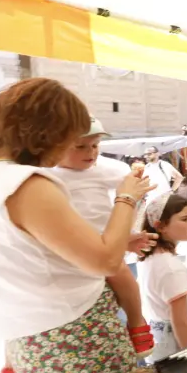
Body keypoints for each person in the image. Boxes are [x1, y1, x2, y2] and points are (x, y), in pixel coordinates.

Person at [0, 77, 153, 373]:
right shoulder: (26, 185)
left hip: (32, 337)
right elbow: (105, 262)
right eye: (69, 138)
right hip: (73, 333)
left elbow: (36, 251)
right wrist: (127, 196)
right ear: (46, 132)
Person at [51, 117, 154, 357]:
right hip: (74, 244)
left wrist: (137, 177)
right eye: (81, 146)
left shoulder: (103, 169)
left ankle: (137, 322)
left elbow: (129, 183)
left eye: (95, 145)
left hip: (106, 238)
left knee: (123, 275)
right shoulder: (47, 176)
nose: (91, 152)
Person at [138, 193, 187, 360]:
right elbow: (180, 322)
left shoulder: (152, 257)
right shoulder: (171, 268)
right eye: (185, 219)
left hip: (160, 339)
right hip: (175, 346)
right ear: (161, 226)